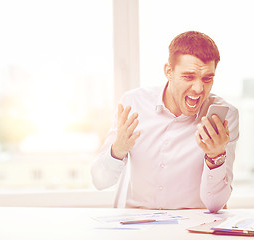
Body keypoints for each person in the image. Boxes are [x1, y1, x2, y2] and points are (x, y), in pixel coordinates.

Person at [91, 31, 239, 213]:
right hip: (136, 224)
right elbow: (99, 181)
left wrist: (215, 157)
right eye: (188, 77)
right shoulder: (133, 104)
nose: (199, 88)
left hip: (191, 227)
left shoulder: (224, 117)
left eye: (207, 78)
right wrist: (117, 150)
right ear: (169, 71)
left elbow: (215, 204)